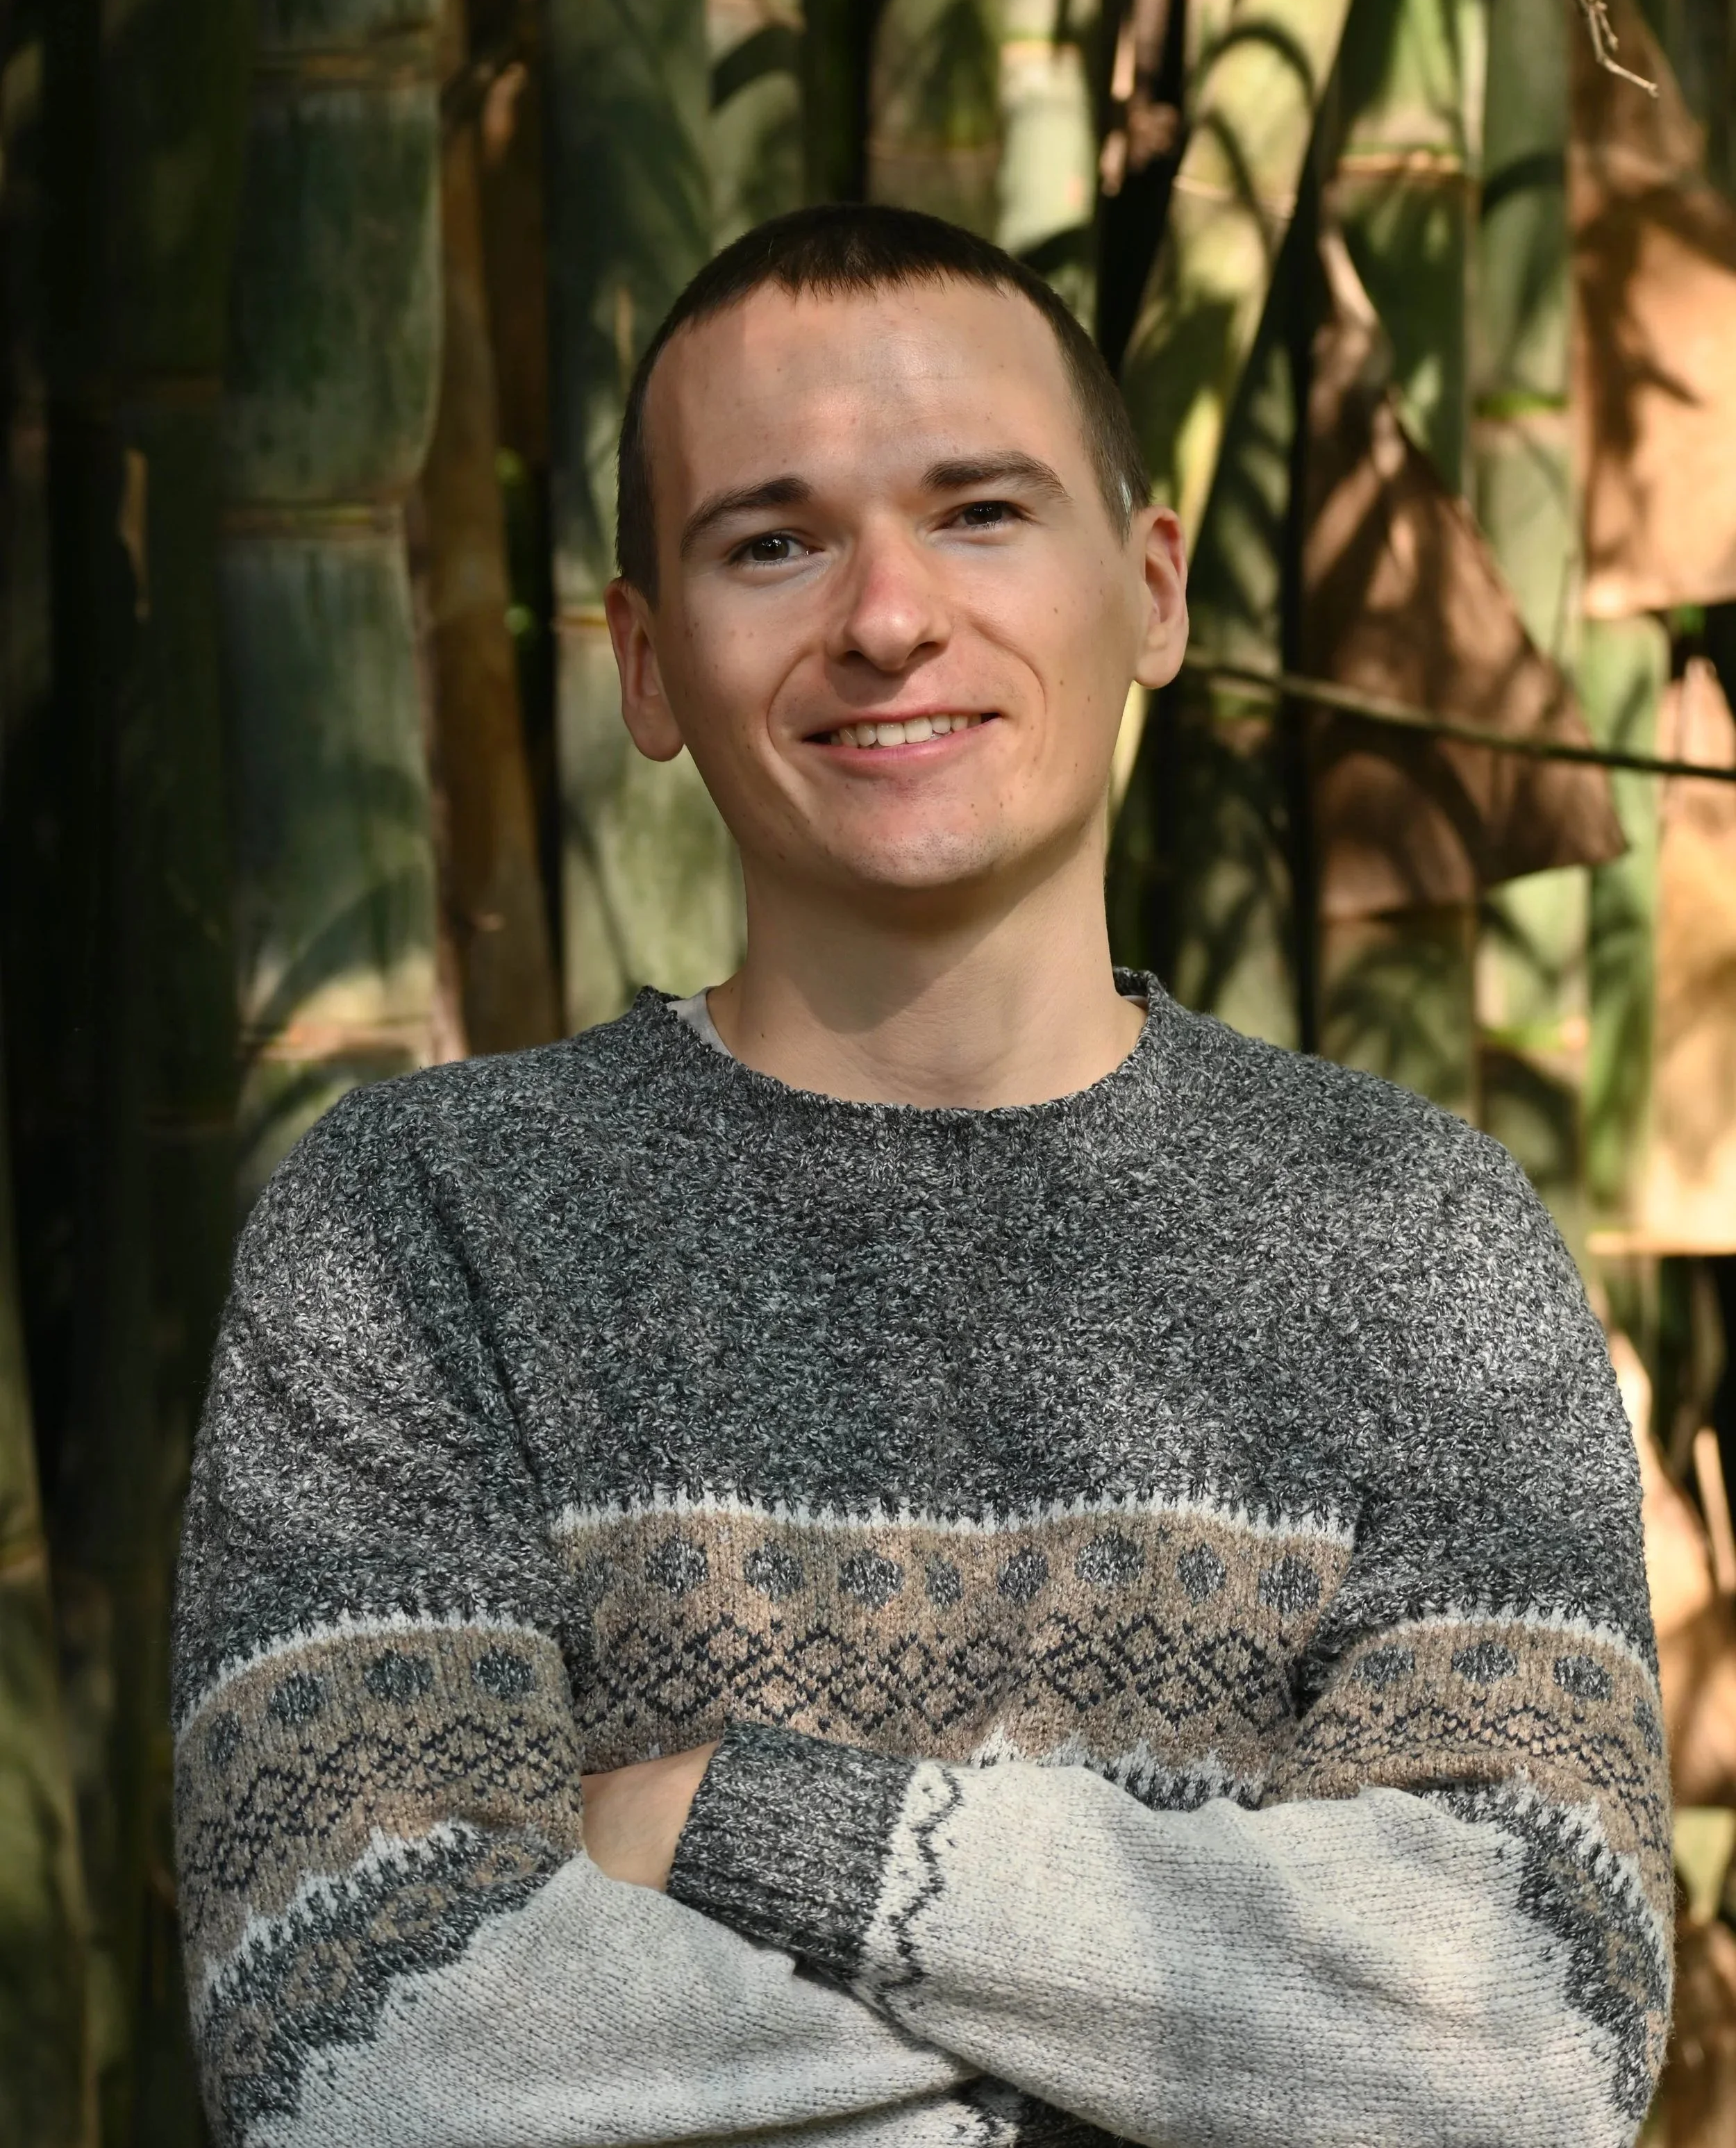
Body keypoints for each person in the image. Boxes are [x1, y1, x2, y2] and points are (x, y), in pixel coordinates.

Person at [173, 203, 1671, 2148]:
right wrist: (1220, 2042)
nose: (885, 616)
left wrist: (727, 1815)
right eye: (771, 541)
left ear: (1148, 590)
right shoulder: (413, 1228)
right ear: (643, 665)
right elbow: (359, 2040)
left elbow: (1522, 2033)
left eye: (977, 510)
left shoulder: (1413, 1246)